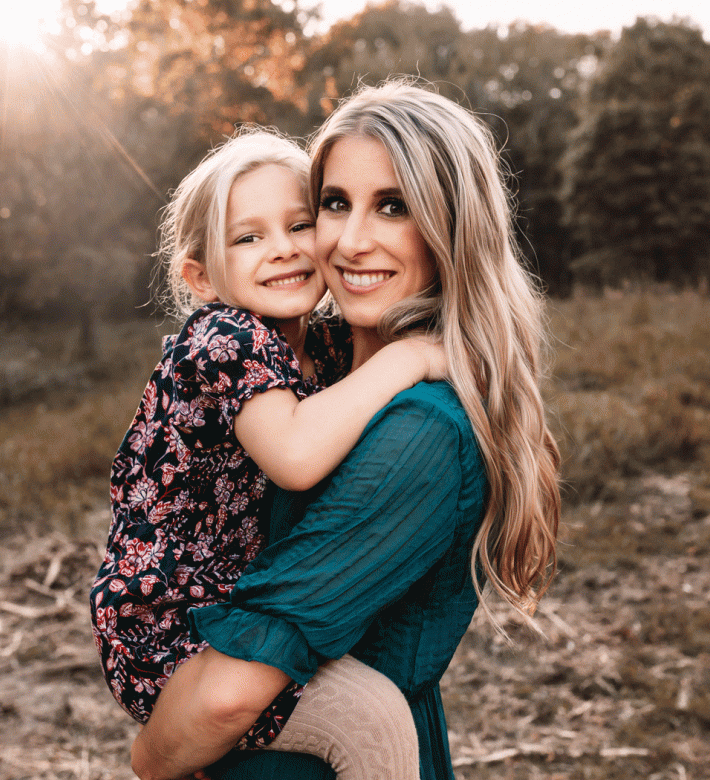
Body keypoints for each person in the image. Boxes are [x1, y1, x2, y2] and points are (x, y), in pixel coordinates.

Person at [129, 81, 563, 780]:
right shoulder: (314, 367)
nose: (349, 241)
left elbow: (225, 698)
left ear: (453, 226)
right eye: (334, 204)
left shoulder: (420, 430)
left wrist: (152, 758)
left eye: (393, 206)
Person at [90, 129, 449, 780]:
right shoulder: (223, 339)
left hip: (243, 601)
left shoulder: (328, 345)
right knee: (374, 722)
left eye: (300, 224)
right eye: (248, 237)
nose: (282, 250)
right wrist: (412, 357)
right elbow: (295, 455)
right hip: (175, 621)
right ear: (200, 275)